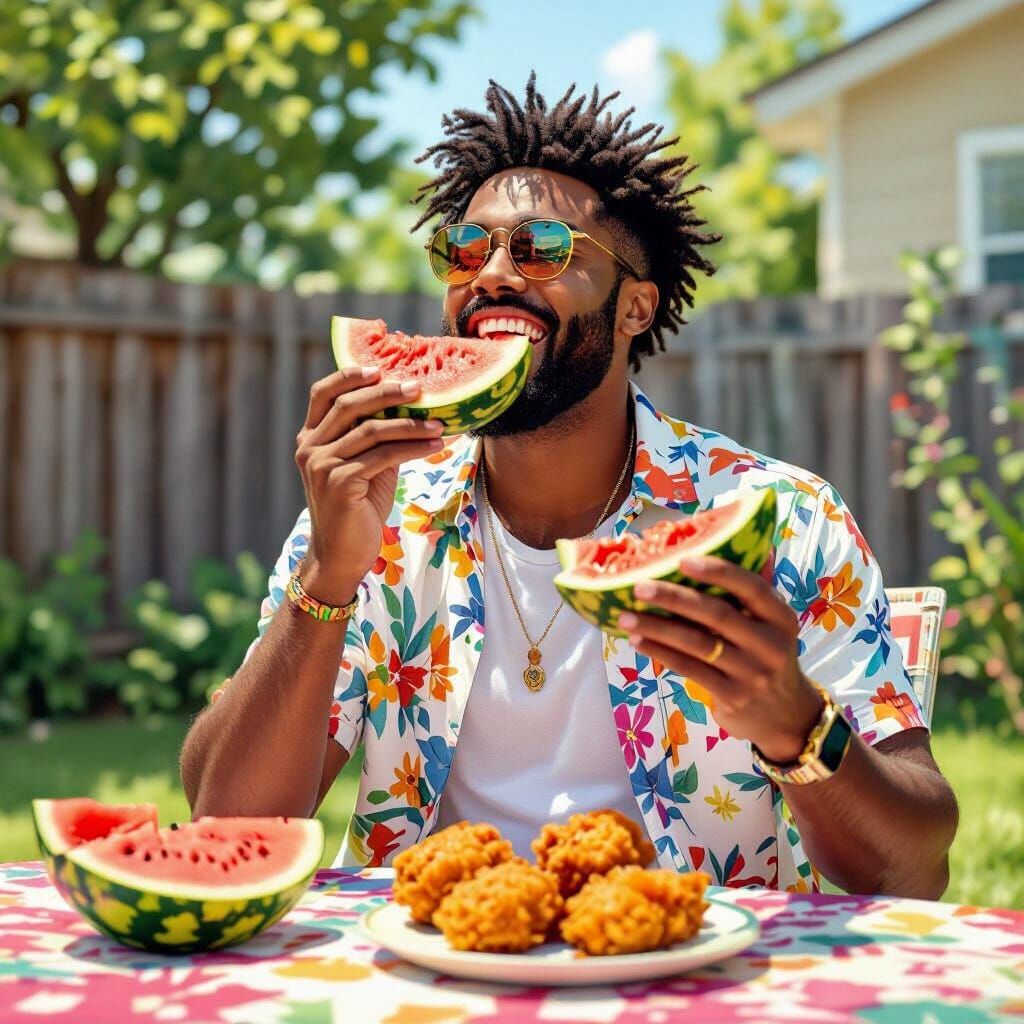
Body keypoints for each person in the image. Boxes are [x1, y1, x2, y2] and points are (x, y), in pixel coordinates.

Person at [180, 74, 957, 896]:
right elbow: (228, 832)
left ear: (635, 307)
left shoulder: (780, 521)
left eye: (544, 248)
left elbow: (915, 867)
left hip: (687, 978)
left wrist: (796, 725)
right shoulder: (375, 510)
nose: (492, 276)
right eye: (466, 250)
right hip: (428, 970)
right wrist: (326, 580)